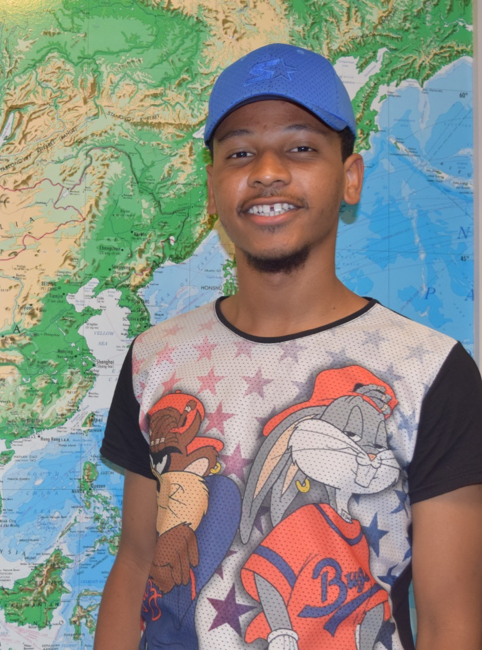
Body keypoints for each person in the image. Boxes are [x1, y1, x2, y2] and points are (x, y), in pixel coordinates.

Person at [94, 43, 482, 650]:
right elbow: (137, 565)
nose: (267, 171)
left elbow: (448, 620)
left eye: (300, 148)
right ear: (212, 187)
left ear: (350, 177)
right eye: (240, 152)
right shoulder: (154, 359)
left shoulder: (432, 371)